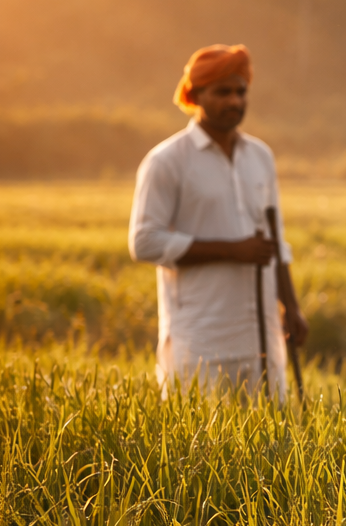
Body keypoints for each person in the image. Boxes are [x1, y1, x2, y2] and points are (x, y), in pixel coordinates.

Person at [128, 44, 308, 399]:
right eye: (222, 92)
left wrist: (291, 306)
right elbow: (144, 242)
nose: (234, 101)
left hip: (261, 330)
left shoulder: (260, 156)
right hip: (200, 335)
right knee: (197, 429)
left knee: (271, 429)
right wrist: (232, 250)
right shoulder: (166, 161)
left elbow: (276, 240)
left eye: (241, 92)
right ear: (196, 96)